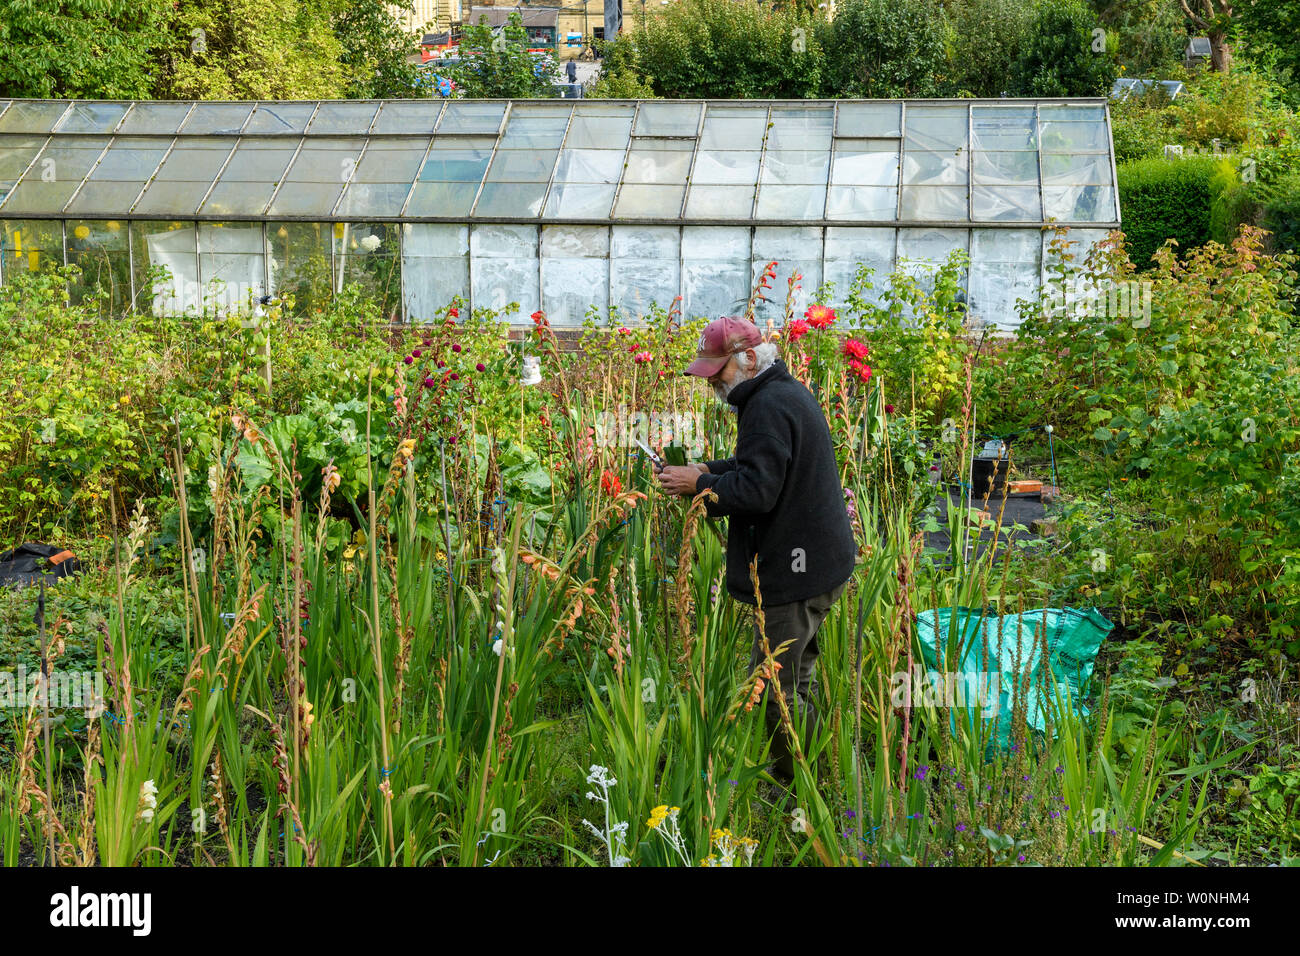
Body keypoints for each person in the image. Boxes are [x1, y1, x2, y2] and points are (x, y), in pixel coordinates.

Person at [655, 316, 856, 787]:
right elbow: (765, 465)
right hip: (819, 565)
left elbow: (759, 491)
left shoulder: (764, 407)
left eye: (716, 372)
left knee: (772, 692)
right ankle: (812, 773)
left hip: (794, 575)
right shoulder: (782, 392)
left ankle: (799, 788)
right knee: (795, 682)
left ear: (747, 358)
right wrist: (712, 468)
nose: (712, 385)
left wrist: (700, 483)